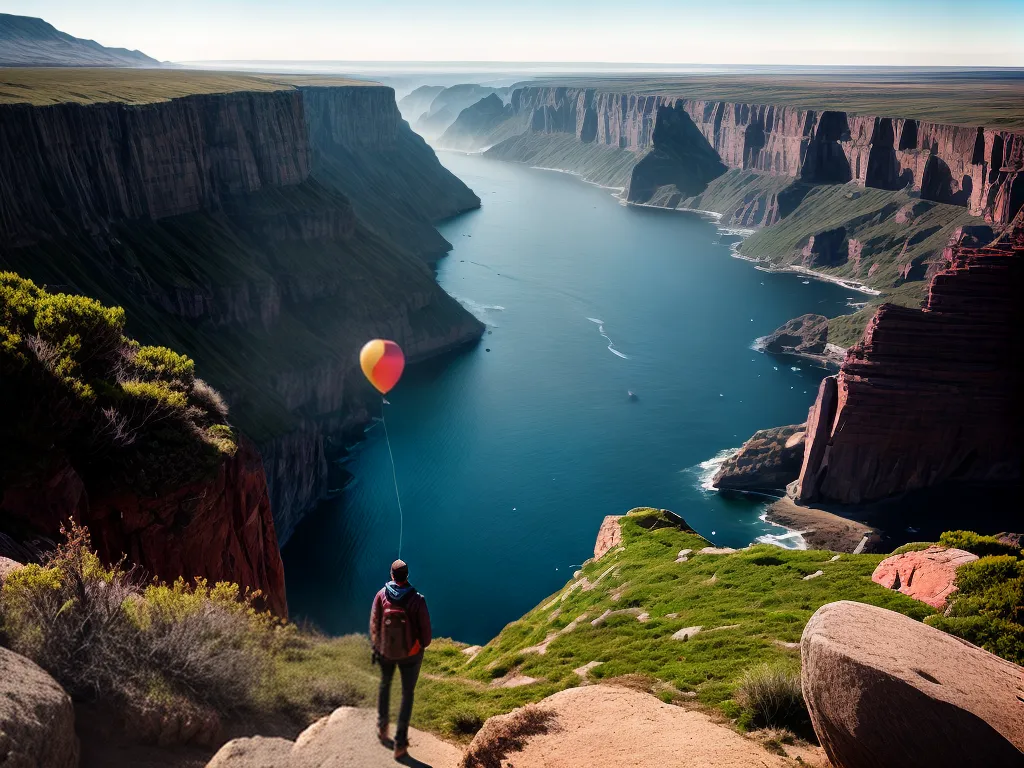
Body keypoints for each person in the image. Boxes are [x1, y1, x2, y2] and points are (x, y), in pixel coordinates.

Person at [370, 558, 432, 759]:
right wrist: (418, 646)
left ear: (391, 575)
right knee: (407, 695)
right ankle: (400, 744)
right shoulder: (418, 600)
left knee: (385, 686)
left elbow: (374, 623)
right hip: (411, 656)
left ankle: (382, 728)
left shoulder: (381, 595)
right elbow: (427, 637)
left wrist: (378, 646)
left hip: (386, 652)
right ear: (407, 575)